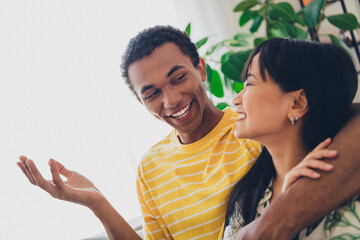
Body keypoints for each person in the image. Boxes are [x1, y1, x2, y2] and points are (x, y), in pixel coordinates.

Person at [17, 26, 360, 240]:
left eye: (178, 77)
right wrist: (98, 204)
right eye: (151, 93)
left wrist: (287, 204)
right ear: (141, 102)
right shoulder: (151, 169)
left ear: (201, 69)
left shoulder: (254, 132)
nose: (171, 100)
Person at [223, 38, 360, 239]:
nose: (236, 99)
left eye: (250, 83)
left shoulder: (348, 206)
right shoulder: (247, 197)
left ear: (296, 103)